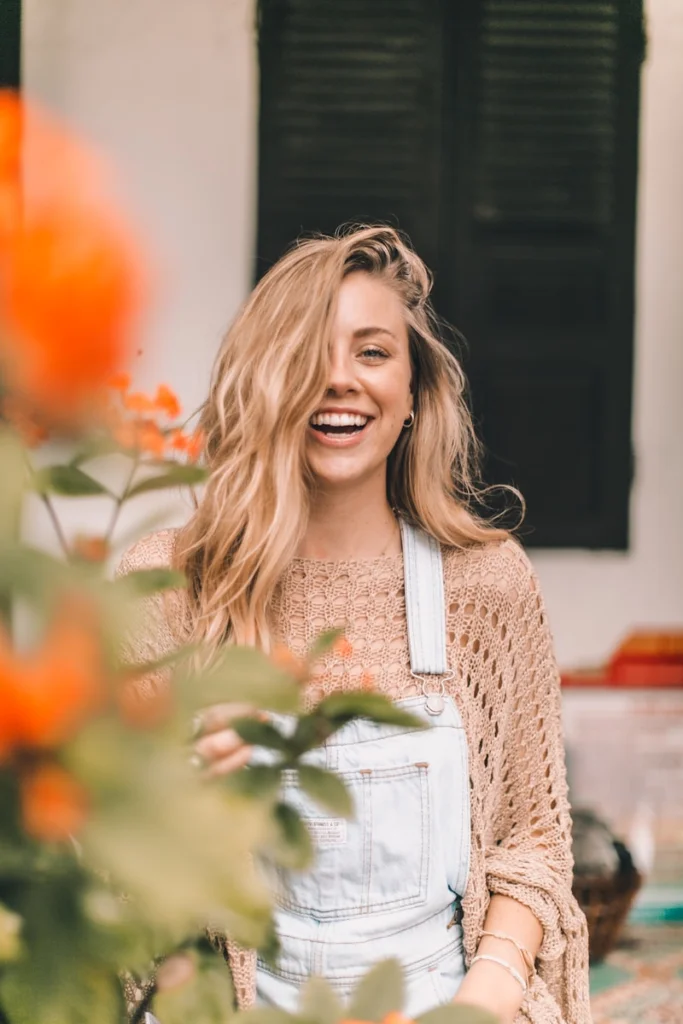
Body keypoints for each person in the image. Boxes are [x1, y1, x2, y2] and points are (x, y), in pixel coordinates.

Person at [118, 226, 591, 1024]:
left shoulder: (486, 587)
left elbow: (531, 844)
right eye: (307, 356)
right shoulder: (168, 590)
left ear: (413, 394)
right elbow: (105, 851)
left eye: (372, 353)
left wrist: (485, 998)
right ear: (263, 383)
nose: (338, 380)